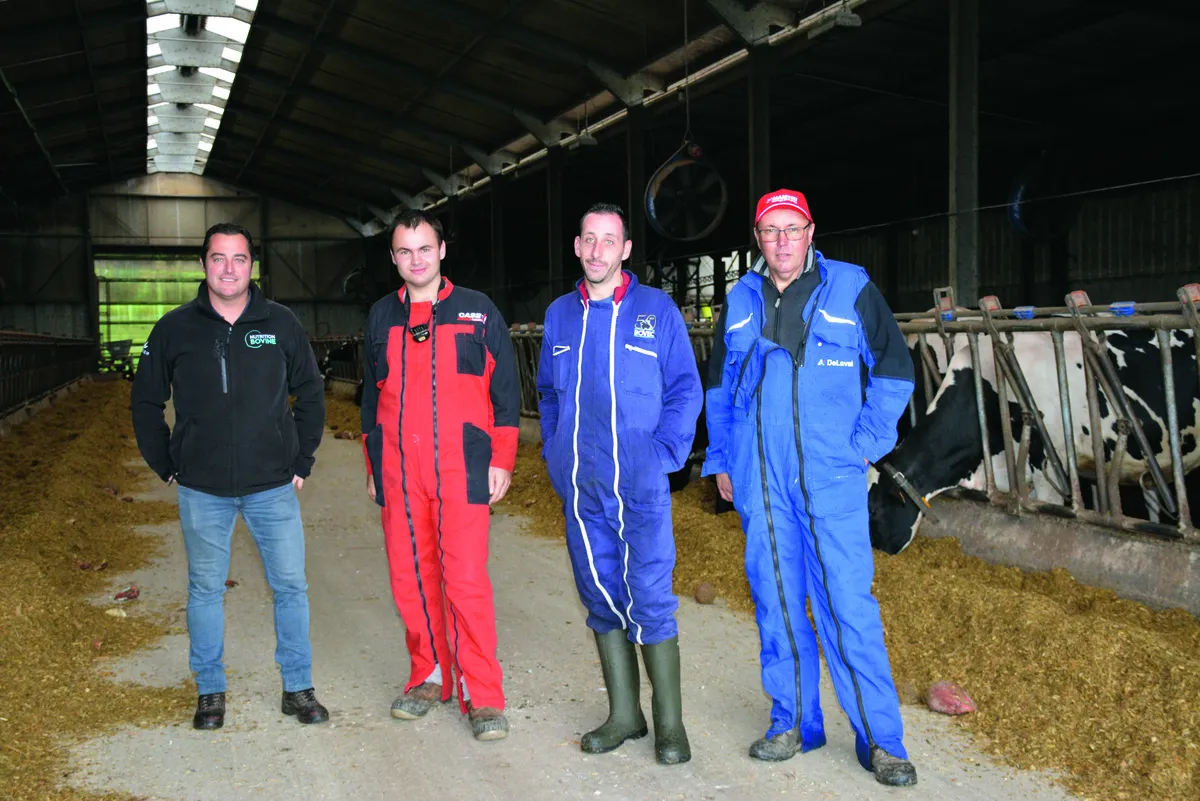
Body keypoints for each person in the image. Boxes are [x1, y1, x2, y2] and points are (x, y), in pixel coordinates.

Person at [701, 190, 918, 786]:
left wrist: (865, 444)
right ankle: (792, 722)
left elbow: (896, 371)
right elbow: (718, 390)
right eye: (769, 231)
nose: (781, 241)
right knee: (774, 601)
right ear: (757, 237)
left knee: (848, 606)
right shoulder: (739, 300)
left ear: (810, 230)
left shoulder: (850, 289)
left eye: (791, 229)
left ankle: (882, 740)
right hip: (762, 480)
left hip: (831, 478)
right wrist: (723, 459)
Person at [131, 222, 328, 730]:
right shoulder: (175, 328)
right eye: (218, 258)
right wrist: (167, 463)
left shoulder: (280, 323)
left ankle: (298, 687)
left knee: (290, 587)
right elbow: (146, 400)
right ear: (203, 265)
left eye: (239, 258)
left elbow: (310, 394)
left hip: (272, 486)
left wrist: (301, 461)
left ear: (252, 266)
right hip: (202, 488)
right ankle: (210, 691)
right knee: (204, 589)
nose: (228, 268)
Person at [536, 203, 703, 765]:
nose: (598, 250)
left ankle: (670, 725)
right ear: (578, 247)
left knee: (651, 595)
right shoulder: (560, 315)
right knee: (598, 594)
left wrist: (664, 456)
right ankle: (625, 715)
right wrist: (556, 452)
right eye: (589, 239)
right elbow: (549, 394)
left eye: (610, 240)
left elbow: (684, 389)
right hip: (581, 483)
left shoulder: (656, 310)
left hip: (640, 481)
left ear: (626, 248)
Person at [360, 209, 519, 742]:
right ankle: (430, 676)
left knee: (466, 579)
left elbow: (507, 395)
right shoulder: (382, 316)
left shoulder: (477, 311)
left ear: (442, 250)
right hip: (400, 469)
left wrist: (502, 459)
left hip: (465, 465)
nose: (415, 260)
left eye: (424, 248)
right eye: (404, 251)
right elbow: (369, 396)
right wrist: (372, 463)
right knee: (411, 577)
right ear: (393, 258)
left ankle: (482, 694)